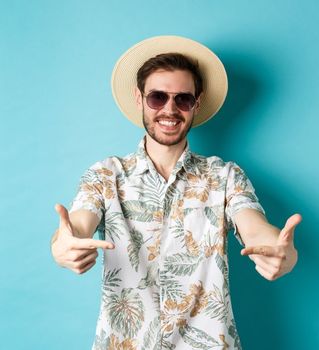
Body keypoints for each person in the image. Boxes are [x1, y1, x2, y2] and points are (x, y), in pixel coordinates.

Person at [50, 35, 300, 350]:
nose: (170, 109)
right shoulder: (105, 175)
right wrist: (63, 246)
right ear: (139, 99)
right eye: (158, 97)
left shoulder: (224, 176)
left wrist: (281, 253)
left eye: (182, 99)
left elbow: (256, 230)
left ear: (196, 103)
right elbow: (76, 227)